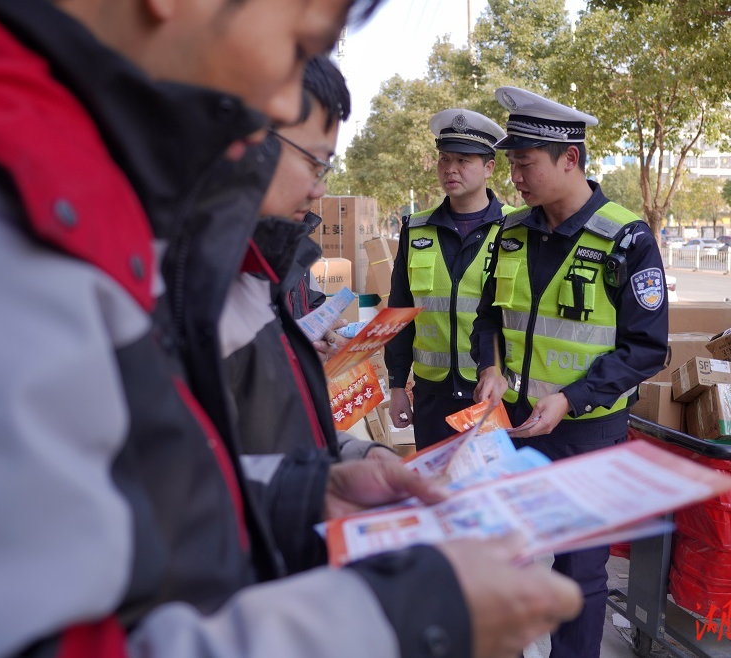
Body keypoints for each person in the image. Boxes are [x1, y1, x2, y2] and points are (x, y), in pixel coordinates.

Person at [0, 4, 582, 658]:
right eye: (298, 46)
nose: (276, 104)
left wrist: (298, 493)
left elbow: (149, 491)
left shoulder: (87, 203)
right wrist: (404, 620)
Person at [472, 86, 669, 658]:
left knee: (579, 577)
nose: (516, 179)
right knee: (499, 559)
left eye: (526, 164)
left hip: (589, 433)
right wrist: (490, 366)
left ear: (570, 159)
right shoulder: (510, 232)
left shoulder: (625, 238)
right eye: (512, 166)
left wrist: (572, 398)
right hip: (511, 430)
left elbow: (646, 347)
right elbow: (489, 317)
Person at [220, 55, 389, 460]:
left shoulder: (280, 253)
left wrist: (355, 458)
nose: (319, 190)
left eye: (325, 169)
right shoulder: (192, 284)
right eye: (313, 164)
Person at [384, 108, 517, 449]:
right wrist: (397, 386)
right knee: (436, 490)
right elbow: (399, 312)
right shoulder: (415, 229)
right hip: (433, 398)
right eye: (444, 159)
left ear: (489, 167)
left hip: (497, 394)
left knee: (490, 493)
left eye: (463, 160)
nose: (450, 169)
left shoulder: (517, 229)